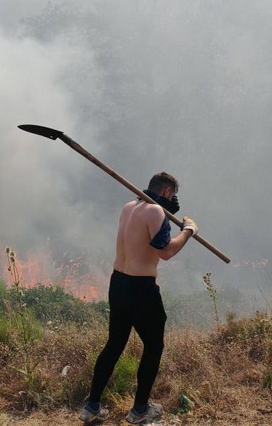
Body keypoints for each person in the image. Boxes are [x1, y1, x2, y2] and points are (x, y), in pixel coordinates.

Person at [79, 172, 199, 424]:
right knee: (154, 347)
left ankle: (91, 407)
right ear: (166, 192)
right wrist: (188, 231)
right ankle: (140, 411)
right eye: (174, 196)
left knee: (114, 344)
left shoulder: (129, 207)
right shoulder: (155, 212)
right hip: (141, 288)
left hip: (118, 283)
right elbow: (165, 252)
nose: (174, 201)